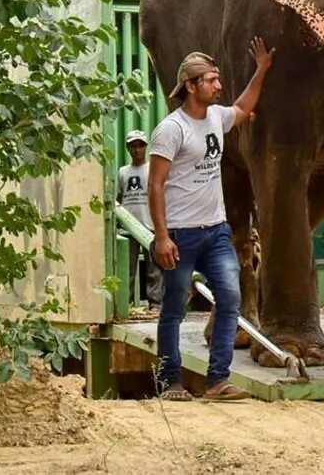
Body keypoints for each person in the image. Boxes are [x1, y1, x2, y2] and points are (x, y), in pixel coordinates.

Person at [148, 38, 274, 402]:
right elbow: (156, 185)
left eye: (218, 79)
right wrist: (161, 237)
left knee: (230, 298)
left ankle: (217, 380)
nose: (218, 86)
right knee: (174, 309)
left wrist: (261, 69)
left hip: (216, 231)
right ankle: (170, 382)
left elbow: (243, 106)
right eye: (211, 80)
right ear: (190, 85)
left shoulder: (217, 118)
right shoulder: (172, 130)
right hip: (180, 235)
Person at [117, 129, 162, 311]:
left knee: (154, 269)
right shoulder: (122, 172)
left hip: (150, 226)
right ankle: (124, 304)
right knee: (127, 269)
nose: (137, 150)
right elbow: (119, 198)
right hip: (129, 228)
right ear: (128, 149)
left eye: (140, 146)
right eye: (133, 146)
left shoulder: (153, 169)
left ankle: (155, 304)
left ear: (146, 147)